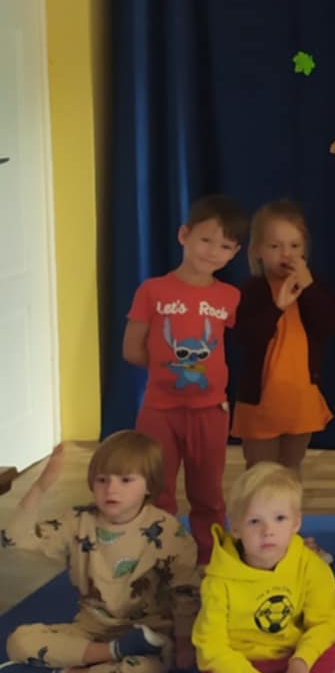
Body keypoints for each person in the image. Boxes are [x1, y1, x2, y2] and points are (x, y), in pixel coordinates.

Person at [0, 434, 198, 673]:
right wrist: (40, 487)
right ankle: (112, 652)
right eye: (102, 480)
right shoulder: (78, 521)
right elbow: (14, 539)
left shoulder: (169, 532)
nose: (111, 489)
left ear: (149, 485)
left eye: (125, 480)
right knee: (18, 643)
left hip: (149, 634)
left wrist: (183, 643)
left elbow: (185, 592)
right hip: (90, 630)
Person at [183, 463, 335, 673]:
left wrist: (301, 662)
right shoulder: (218, 580)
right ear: (236, 527)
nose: (268, 531)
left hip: (293, 661)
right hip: (243, 668)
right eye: (255, 521)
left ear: (296, 522)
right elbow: (211, 647)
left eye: (279, 518)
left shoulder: (311, 566)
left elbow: (325, 622)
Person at [123, 191, 247, 561]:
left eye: (224, 246)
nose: (212, 252)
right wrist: (171, 367)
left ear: (235, 253)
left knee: (208, 494)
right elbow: (132, 349)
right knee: (156, 491)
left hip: (210, 411)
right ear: (183, 235)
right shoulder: (152, 291)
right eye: (205, 240)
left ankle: (210, 560)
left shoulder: (230, 296)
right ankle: (158, 558)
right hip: (159, 410)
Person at [231, 198, 335, 474]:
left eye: (294, 246)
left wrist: (309, 288)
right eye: (275, 246)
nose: (286, 254)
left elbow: (328, 325)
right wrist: (276, 307)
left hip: (300, 403)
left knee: (291, 470)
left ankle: (289, 505)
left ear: (305, 249)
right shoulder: (250, 292)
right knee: (261, 473)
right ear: (257, 250)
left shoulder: (314, 288)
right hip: (261, 407)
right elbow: (246, 338)